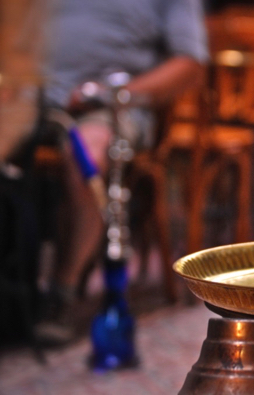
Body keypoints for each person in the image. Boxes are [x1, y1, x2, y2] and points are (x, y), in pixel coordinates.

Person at [36, 0, 209, 343]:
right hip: (28, 96)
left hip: (110, 105)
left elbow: (190, 65)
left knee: (89, 152)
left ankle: (62, 292)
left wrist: (113, 95)